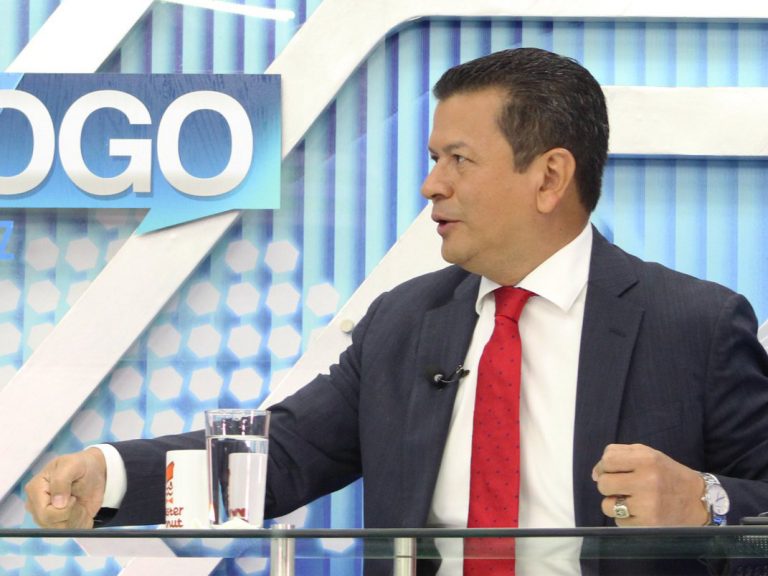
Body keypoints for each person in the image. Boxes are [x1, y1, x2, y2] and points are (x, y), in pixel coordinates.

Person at [25, 47, 768, 571]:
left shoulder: (694, 325)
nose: (430, 186)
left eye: (458, 160)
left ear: (549, 177)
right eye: (431, 160)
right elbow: (282, 455)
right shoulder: (405, 322)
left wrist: (705, 503)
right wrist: (110, 475)